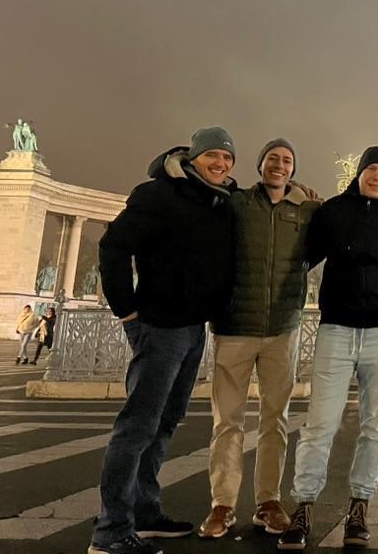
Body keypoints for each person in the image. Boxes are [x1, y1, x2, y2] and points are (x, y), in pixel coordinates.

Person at [90, 126, 237, 554]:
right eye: (213, 155)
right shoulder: (158, 194)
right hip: (159, 327)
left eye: (228, 158)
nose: (221, 163)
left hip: (193, 329)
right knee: (137, 427)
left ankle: (144, 511)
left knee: (165, 422)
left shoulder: (217, 201)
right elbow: (113, 246)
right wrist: (127, 310)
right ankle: (111, 530)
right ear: (193, 157)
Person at [278, 147, 378, 551]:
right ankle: (304, 506)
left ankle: (360, 507)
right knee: (319, 424)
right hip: (337, 328)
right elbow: (299, 255)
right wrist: (290, 199)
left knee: (376, 426)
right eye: (372, 169)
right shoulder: (333, 212)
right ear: (359, 173)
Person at [199, 139, 321, 540]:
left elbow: (323, 242)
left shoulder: (305, 210)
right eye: (273, 159)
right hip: (234, 326)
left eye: (287, 160)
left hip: (282, 328)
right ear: (260, 165)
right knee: (227, 422)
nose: (279, 165)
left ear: (293, 170)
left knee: (275, 419)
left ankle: (269, 501)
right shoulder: (235, 204)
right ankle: (222, 505)